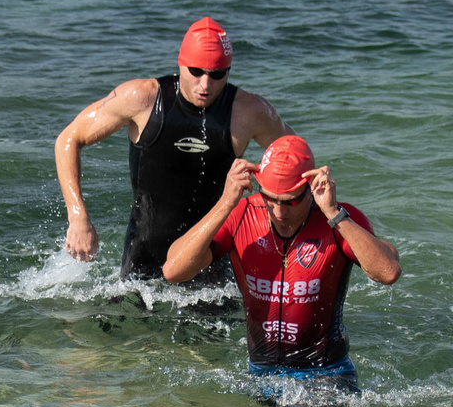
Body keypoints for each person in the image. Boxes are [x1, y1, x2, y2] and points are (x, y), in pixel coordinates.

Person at [161, 135, 400, 407]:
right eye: (270, 199)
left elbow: (388, 272)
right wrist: (226, 202)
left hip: (326, 374)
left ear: (310, 187)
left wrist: (334, 212)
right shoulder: (241, 215)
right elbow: (173, 270)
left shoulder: (338, 220)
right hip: (261, 373)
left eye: (290, 202)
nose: (279, 212)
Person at [53, 16, 289, 284]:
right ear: (181, 64)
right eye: (196, 71)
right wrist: (77, 217)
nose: (205, 85)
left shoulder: (249, 112)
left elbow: (296, 158)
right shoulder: (141, 98)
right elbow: (68, 139)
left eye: (217, 75)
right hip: (142, 260)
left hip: (211, 262)